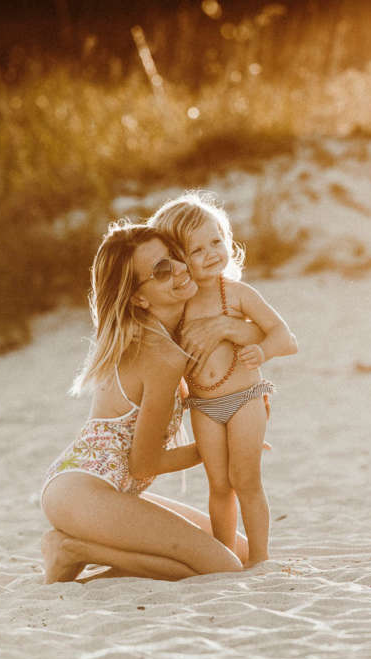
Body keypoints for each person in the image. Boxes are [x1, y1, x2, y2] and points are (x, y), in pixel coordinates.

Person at [39, 221, 265, 583]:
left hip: (100, 489)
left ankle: (83, 551)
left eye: (174, 258)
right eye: (161, 270)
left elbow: (264, 331)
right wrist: (214, 448)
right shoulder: (159, 356)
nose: (178, 269)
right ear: (139, 298)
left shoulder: (170, 333)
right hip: (82, 492)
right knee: (224, 567)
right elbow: (143, 464)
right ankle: (75, 550)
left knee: (238, 549)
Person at [148, 192, 298, 567]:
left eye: (217, 241)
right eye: (197, 250)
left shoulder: (238, 295)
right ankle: (225, 556)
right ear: (177, 260)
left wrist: (261, 351)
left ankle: (260, 559)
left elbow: (286, 338)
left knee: (245, 479)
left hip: (246, 396)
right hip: (203, 406)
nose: (212, 252)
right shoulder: (177, 307)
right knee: (218, 485)